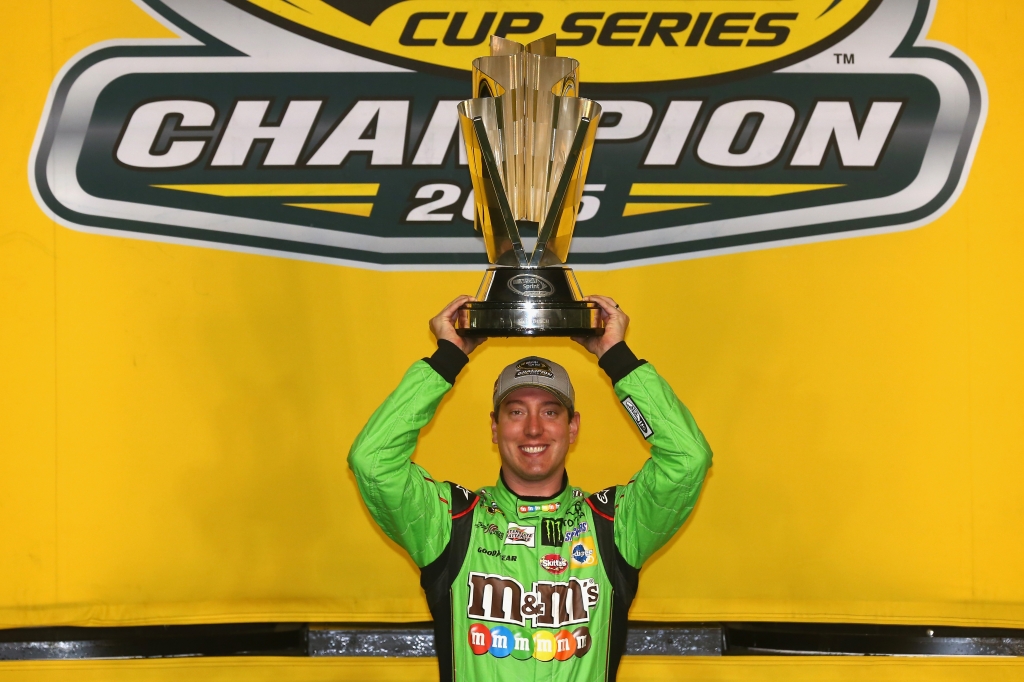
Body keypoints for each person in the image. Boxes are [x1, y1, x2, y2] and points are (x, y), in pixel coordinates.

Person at [348, 294, 712, 682]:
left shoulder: (614, 524)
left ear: (573, 428)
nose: (534, 429)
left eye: (551, 412)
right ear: (495, 426)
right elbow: (373, 462)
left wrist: (618, 358)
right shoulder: (451, 522)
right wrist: (446, 360)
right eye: (517, 411)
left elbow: (688, 460)